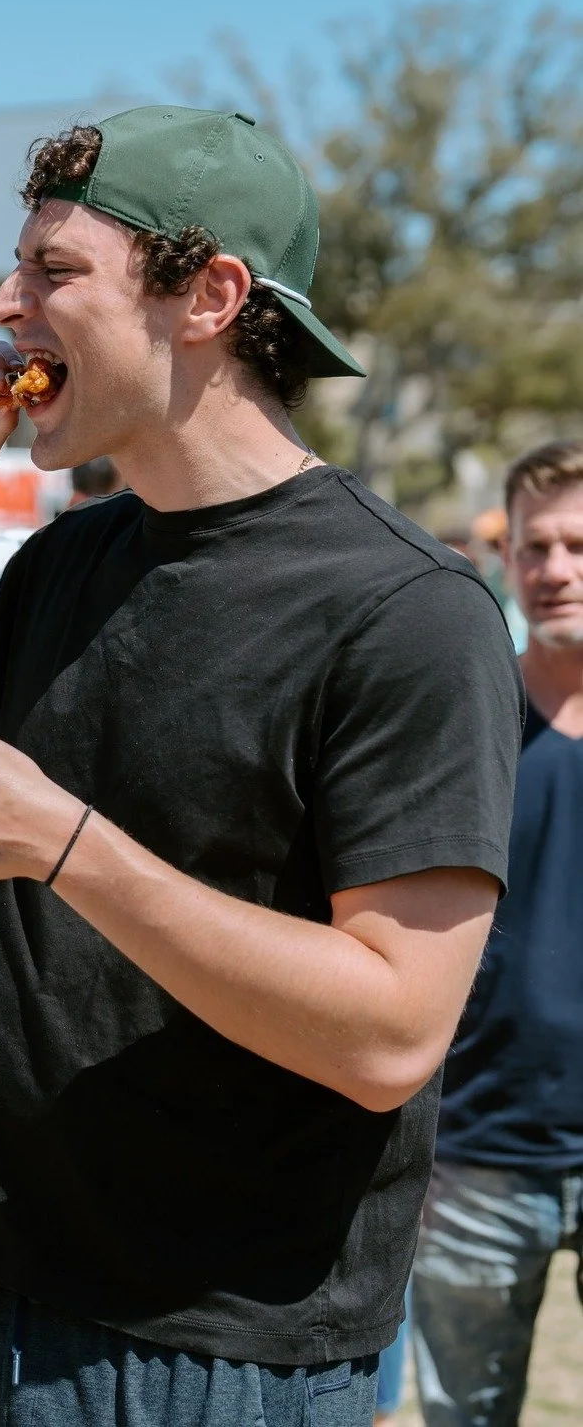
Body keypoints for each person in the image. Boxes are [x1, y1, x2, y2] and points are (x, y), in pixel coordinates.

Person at [0, 108, 522, 1427]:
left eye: (55, 272)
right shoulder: (75, 555)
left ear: (210, 296)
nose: (3, 305)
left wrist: (65, 845)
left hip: (206, 1348)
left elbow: (391, 1030)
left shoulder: (408, 610)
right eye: (11, 269)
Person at [407, 440, 583, 1426]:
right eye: (535, 547)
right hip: (477, 1147)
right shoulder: (465, 715)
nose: (555, 570)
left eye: (578, 546)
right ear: (508, 558)